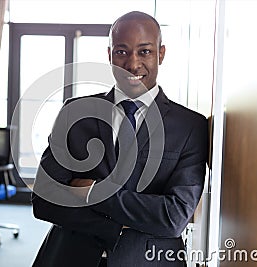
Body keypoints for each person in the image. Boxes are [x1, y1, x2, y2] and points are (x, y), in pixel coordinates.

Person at [31, 11, 208, 267]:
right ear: (109, 55)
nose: (133, 64)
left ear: (161, 53)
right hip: (68, 256)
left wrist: (93, 192)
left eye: (145, 51)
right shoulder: (75, 114)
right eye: (122, 52)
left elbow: (174, 216)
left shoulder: (191, 126)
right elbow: (45, 200)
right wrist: (122, 223)